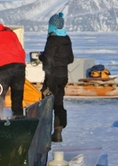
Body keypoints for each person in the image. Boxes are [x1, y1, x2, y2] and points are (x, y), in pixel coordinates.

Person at [38, 12, 74, 142]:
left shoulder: (52, 39)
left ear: (52, 26)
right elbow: (70, 59)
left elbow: (48, 59)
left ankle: (45, 132)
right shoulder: (67, 39)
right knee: (58, 102)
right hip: (63, 77)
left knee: (46, 101)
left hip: (52, 77)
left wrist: (41, 56)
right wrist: (60, 61)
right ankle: (58, 132)